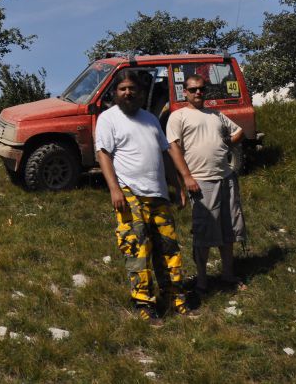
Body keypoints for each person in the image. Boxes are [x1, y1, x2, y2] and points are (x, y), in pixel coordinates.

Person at [95, 69, 200, 322]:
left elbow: (165, 153)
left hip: (158, 194)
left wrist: (176, 187)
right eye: (123, 89)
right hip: (130, 193)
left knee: (168, 249)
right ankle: (143, 303)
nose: (128, 93)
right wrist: (114, 190)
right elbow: (104, 155)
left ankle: (174, 297)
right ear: (115, 93)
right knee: (138, 250)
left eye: (133, 89)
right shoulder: (108, 119)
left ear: (141, 93)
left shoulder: (151, 119)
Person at [166, 74, 247, 293]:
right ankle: (202, 280)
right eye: (193, 90)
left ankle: (227, 275)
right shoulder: (178, 116)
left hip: (226, 178)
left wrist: (227, 143)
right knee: (203, 232)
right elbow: (173, 147)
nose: (198, 93)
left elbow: (240, 131)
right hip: (201, 181)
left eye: (202, 89)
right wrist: (187, 178)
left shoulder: (216, 114)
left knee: (228, 228)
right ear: (185, 92)